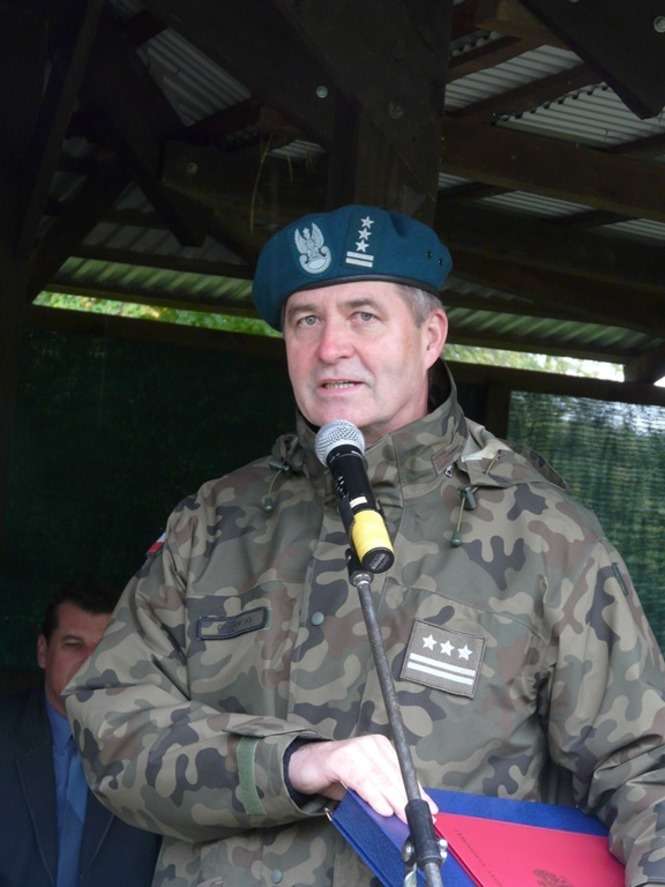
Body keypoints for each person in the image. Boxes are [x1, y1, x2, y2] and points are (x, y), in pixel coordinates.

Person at [65, 205, 665, 887]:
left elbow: (645, 769)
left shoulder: (543, 533)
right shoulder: (216, 523)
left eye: (364, 316)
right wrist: (293, 763)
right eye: (305, 320)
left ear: (430, 336)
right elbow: (108, 726)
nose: (330, 347)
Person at [0, 577, 161, 887]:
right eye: (73, 645)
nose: (90, 662)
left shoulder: (154, 744)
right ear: (43, 652)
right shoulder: (5, 732)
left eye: (103, 648)